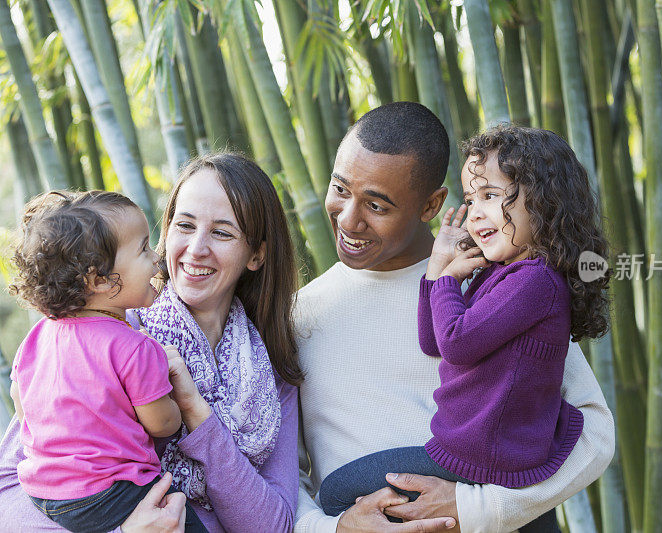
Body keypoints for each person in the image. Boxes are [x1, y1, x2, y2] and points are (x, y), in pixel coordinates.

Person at [294, 103, 615, 533]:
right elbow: (279, 474)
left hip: (499, 519)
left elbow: (593, 431)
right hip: (366, 508)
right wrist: (332, 529)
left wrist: (475, 507)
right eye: (340, 190)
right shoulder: (295, 315)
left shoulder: (505, 275)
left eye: (376, 205)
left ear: (431, 205)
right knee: (335, 491)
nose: (349, 219)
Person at [0, 153, 300, 533]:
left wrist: (194, 410)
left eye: (222, 233)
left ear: (256, 253)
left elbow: (272, 527)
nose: (196, 249)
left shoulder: (269, 373)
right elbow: (11, 488)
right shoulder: (94, 332)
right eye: (185, 225)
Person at [8, 190, 206, 533]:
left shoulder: (38, 336)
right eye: (143, 249)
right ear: (99, 279)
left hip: (44, 493)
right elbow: (162, 425)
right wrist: (176, 400)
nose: (156, 258)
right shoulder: (136, 348)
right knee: (180, 518)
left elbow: (20, 402)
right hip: (112, 492)